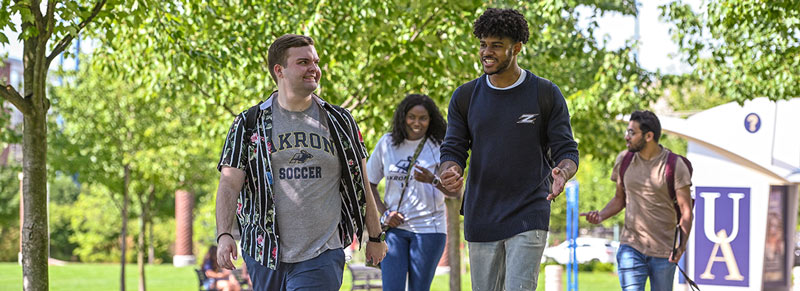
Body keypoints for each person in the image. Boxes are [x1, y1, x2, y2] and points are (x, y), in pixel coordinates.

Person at [215, 34, 387, 291]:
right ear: (279, 70)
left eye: (316, 62)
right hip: (264, 253)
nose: (314, 69)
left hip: (323, 253)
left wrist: (375, 236)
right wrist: (224, 234)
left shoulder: (340, 121)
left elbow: (361, 182)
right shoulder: (249, 123)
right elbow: (229, 185)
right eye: (303, 62)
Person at [438, 8, 580, 291]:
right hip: (481, 215)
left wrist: (563, 173)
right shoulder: (465, 96)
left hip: (529, 212)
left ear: (516, 48)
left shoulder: (545, 93)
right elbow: (452, 149)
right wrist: (449, 170)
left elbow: (567, 150)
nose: (486, 52)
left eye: (496, 46)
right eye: (483, 44)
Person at [581, 110, 693, 291]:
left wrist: (681, 246)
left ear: (649, 136)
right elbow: (619, 199)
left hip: (664, 252)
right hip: (631, 246)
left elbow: (686, 211)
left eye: (632, 133)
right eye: (627, 131)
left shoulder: (674, 166)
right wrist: (600, 216)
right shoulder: (624, 160)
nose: (626, 137)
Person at [366, 94, 459, 291]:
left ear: (430, 120)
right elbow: (369, 184)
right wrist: (385, 213)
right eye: (412, 117)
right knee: (391, 288)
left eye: (422, 118)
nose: (417, 122)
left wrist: (432, 180)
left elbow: (454, 193)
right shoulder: (387, 143)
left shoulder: (439, 146)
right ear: (403, 117)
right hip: (394, 230)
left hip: (429, 230)